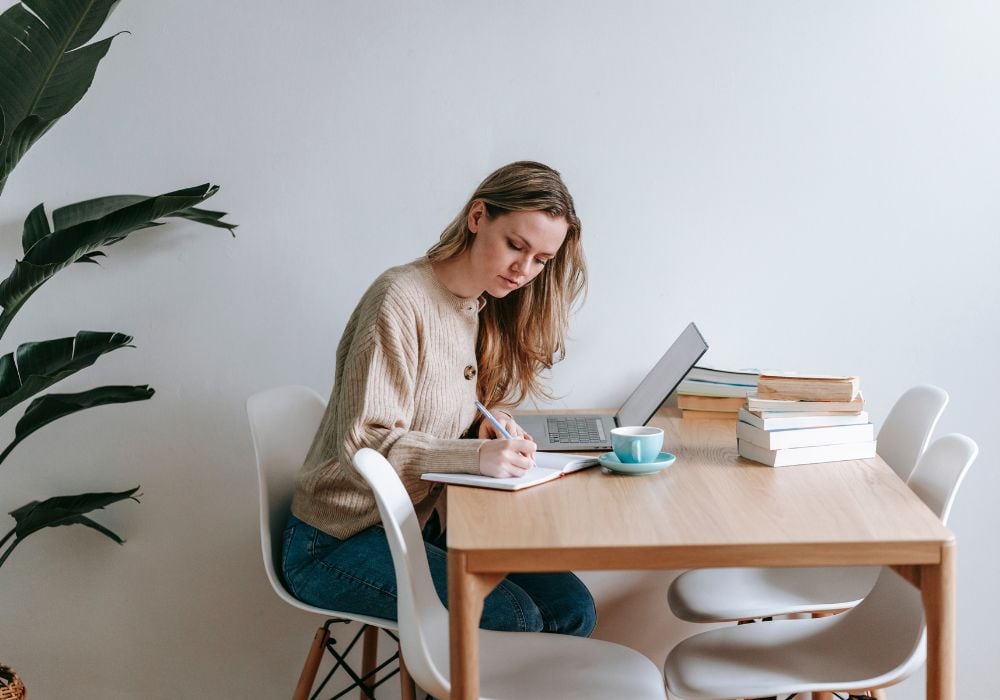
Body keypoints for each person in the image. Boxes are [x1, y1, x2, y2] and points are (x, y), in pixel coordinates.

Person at [282, 161, 595, 636]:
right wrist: (474, 455)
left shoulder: (477, 304)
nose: (524, 270)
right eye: (516, 245)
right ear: (477, 217)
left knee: (572, 607)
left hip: (417, 524)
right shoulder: (399, 300)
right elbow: (363, 445)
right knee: (513, 616)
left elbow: (441, 402)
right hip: (336, 539)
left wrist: (488, 424)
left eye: (541, 260)